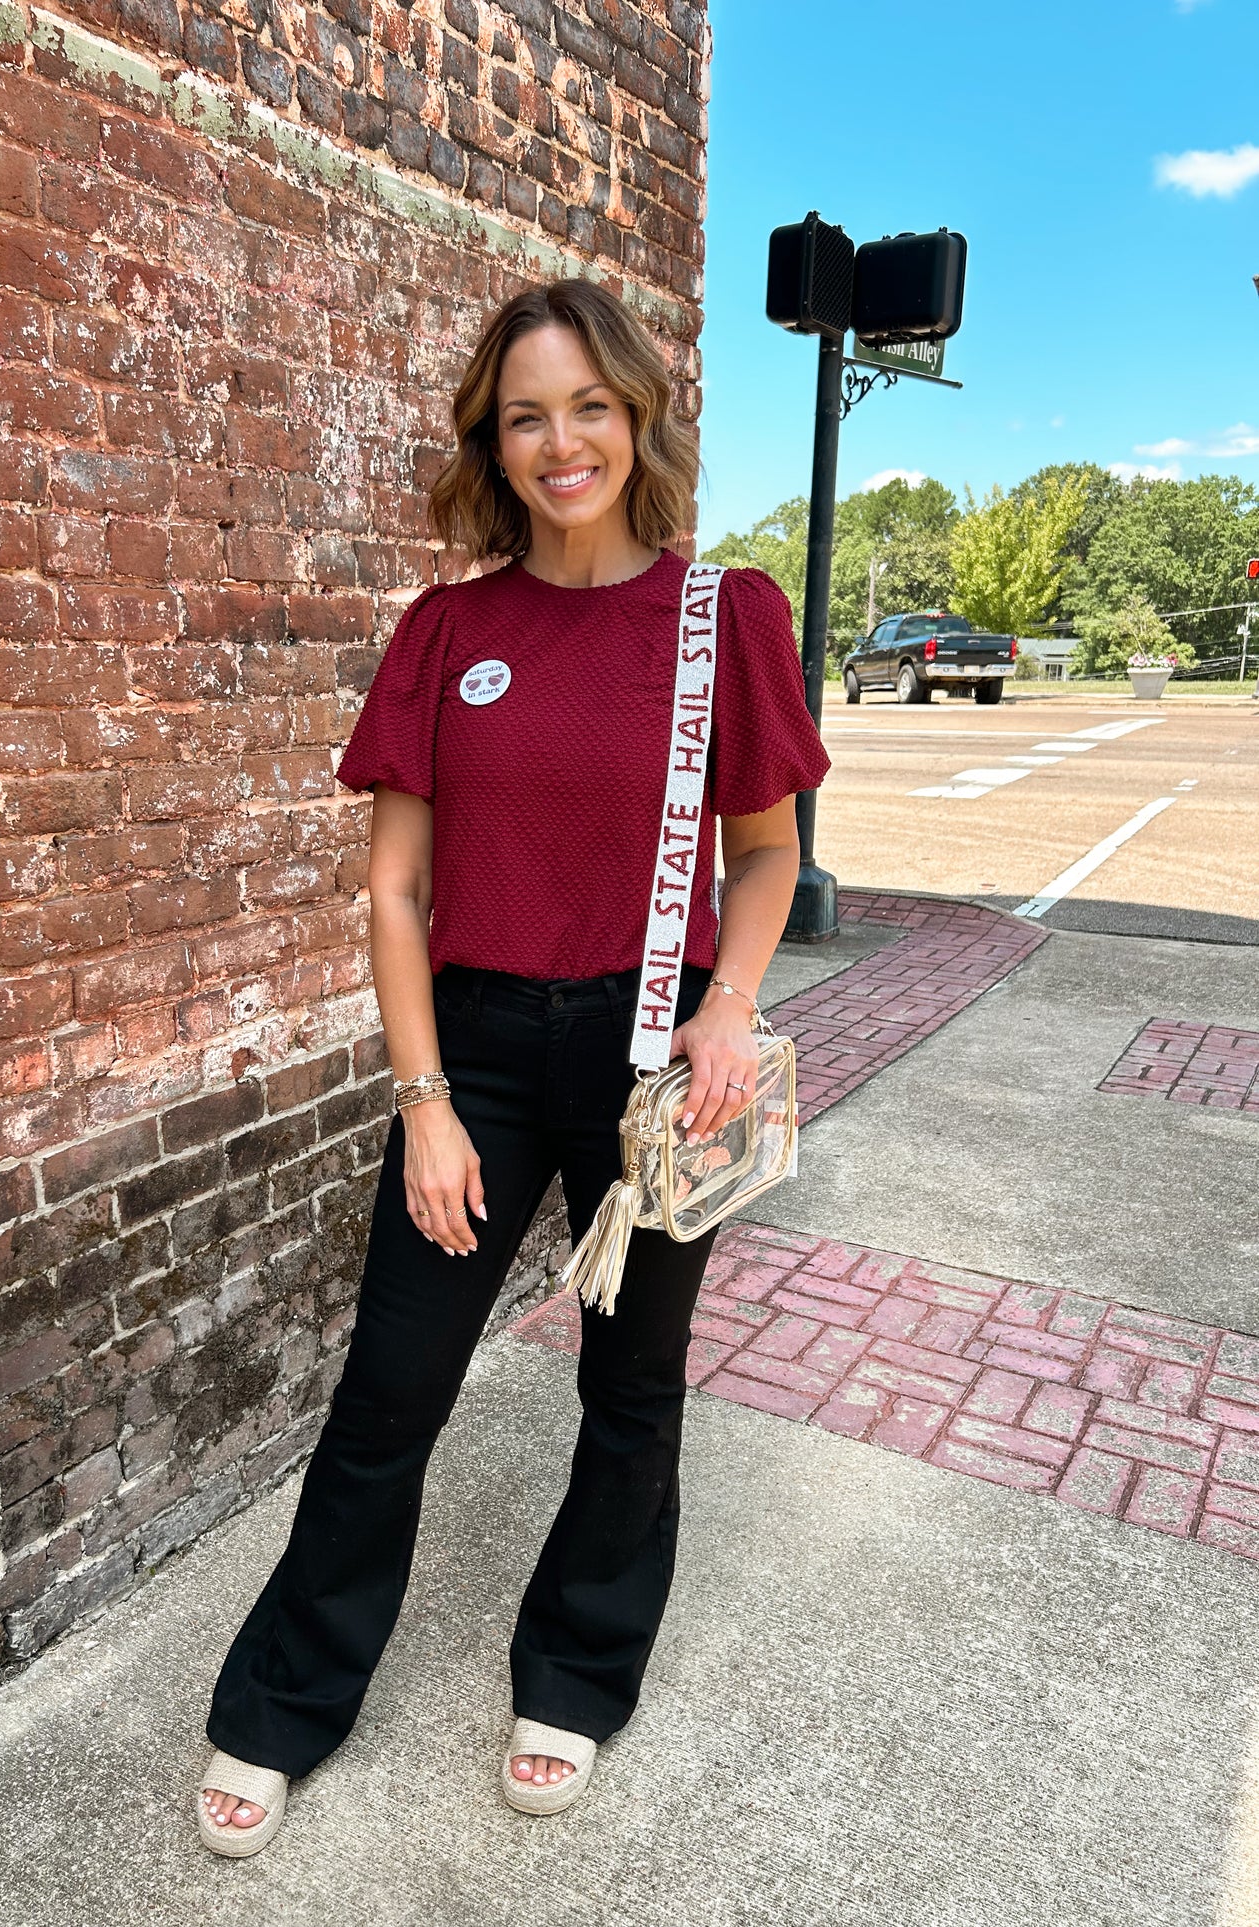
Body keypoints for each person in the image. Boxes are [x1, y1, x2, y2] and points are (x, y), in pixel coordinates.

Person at [196, 276, 830, 1855]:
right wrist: (421, 1103)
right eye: (526, 414)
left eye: (589, 409)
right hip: (469, 1051)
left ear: (637, 420)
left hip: (650, 1061)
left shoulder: (720, 618)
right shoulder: (449, 630)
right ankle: (282, 1705)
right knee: (388, 1393)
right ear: (495, 435)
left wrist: (731, 1004)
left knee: (631, 1388)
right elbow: (395, 891)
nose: (561, 443)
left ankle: (575, 1672)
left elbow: (763, 858)